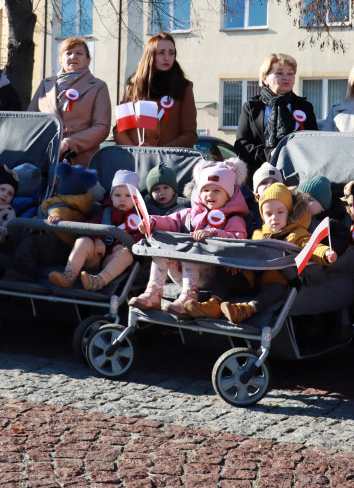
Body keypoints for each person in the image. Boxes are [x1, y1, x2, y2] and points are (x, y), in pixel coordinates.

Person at [187, 183, 337, 324]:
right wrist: (237, 264)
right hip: (250, 278)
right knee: (228, 273)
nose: (274, 218)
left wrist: (325, 254)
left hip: (274, 280)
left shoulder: (297, 234)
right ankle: (213, 304)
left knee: (276, 289)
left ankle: (246, 310)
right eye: (269, 214)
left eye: (280, 212)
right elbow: (246, 252)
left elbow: (311, 246)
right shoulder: (258, 233)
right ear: (263, 216)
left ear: (289, 212)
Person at [129, 159, 250, 316]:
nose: (210, 194)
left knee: (191, 249)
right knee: (161, 250)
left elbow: (238, 239)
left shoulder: (234, 219)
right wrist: (151, 222)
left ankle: (188, 297)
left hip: (213, 273)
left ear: (228, 196)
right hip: (183, 273)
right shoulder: (191, 213)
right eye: (205, 190)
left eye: (217, 191)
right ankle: (153, 293)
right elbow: (171, 221)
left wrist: (213, 233)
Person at [47, 170, 141, 291]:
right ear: (111, 196)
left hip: (113, 260)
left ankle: (98, 281)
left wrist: (122, 244)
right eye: (118, 195)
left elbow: (139, 237)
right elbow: (89, 225)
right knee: (83, 240)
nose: (122, 199)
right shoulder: (104, 212)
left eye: (128, 196)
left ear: (136, 199)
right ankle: (69, 275)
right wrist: (97, 239)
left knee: (126, 255)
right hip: (95, 256)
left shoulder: (139, 218)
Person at [28, 37, 111, 167]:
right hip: (45, 157)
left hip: (79, 159)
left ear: (88, 60)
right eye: (68, 53)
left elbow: (102, 127)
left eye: (79, 53)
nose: (73, 56)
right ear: (60, 60)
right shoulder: (46, 84)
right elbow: (31, 120)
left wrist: (69, 143)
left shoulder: (98, 86)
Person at [235, 53, 318, 178]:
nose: (286, 77)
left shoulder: (304, 107)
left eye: (290, 73)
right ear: (265, 78)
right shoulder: (252, 107)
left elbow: (313, 141)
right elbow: (242, 145)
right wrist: (269, 154)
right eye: (279, 73)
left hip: (298, 174)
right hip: (260, 176)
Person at [113, 33, 197, 147]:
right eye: (161, 53)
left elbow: (189, 135)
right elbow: (120, 131)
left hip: (169, 160)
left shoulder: (184, 87)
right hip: (136, 159)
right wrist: (136, 151)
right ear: (150, 55)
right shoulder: (134, 86)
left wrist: (158, 152)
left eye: (171, 53)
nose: (167, 58)